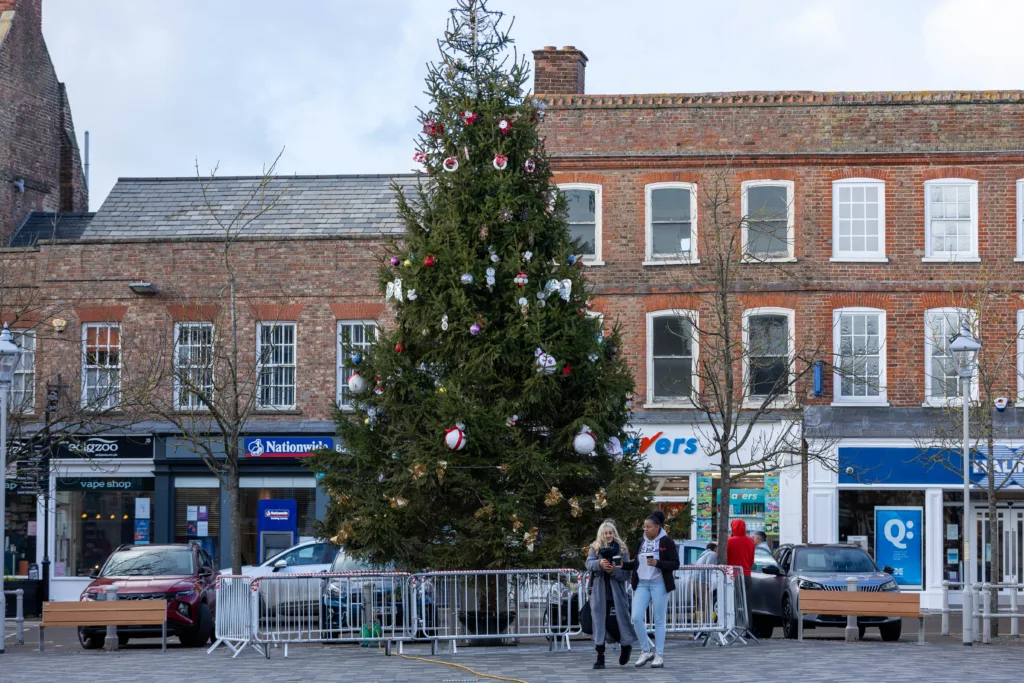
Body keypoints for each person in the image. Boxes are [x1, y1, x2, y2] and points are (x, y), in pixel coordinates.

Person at [623, 510, 679, 669]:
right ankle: (646, 650)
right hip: (642, 584)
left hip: (659, 583)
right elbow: (637, 562)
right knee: (635, 616)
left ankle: (659, 655)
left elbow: (675, 564)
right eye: (644, 527)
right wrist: (623, 565)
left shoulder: (666, 542)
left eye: (648, 527)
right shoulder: (641, 541)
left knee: (659, 620)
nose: (645, 529)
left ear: (657, 527)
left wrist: (658, 563)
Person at [585, 520, 638, 669]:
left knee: (618, 622)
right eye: (605, 533)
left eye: (610, 532)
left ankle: (625, 646)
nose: (608, 535)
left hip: (616, 594)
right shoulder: (595, 548)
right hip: (599, 593)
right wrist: (599, 564)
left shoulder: (621, 549)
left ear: (614, 533)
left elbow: (626, 573)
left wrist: (613, 571)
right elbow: (588, 564)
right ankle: (600, 657)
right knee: (599, 624)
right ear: (601, 534)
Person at [726, 519, 755, 630]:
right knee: (747, 603)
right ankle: (748, 628)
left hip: (732, 575)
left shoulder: (729, 541)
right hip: (746, 574)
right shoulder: (751, 541)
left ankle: (732, 627)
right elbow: (751, 559)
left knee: (732, 603)